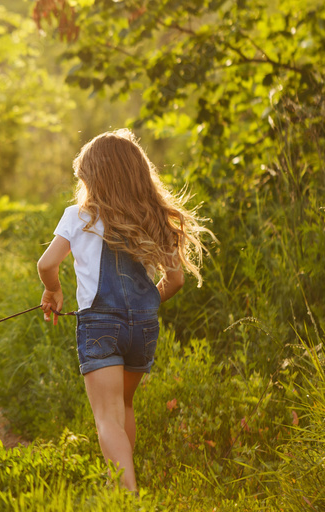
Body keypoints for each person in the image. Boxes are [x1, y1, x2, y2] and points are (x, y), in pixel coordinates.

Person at [37, 130, 208, 493]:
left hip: (99, 325)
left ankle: (126, 496)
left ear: (93, 179)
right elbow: (175, 281)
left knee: (107, 416)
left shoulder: (78, 216)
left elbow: (46, 263)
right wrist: (143, 306)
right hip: (142, 329)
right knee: (125, 406)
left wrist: (54, 290)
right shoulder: (154, 217)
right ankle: (125, 482)